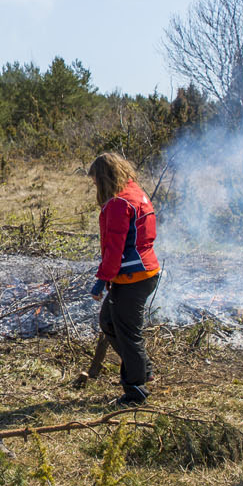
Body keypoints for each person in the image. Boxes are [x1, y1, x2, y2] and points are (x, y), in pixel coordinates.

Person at [87, 152, 162, 406]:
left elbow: (114, 248)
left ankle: (135, 390)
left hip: (133, 277)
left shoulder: (120, 202)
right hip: (140, 274)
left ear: (105, 177)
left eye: (96, 180)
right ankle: (142, 366)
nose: (95, 186)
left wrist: (101, 280)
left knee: (128, 333)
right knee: (108, 321)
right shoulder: (135, 193)